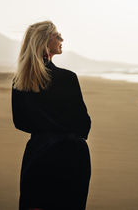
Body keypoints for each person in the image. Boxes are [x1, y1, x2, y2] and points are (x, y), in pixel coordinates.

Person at [11, 21, 92, 210]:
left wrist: (45, 129)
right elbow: (84, 123)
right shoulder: (68, 78)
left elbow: (20, 122)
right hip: (71, 157)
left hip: (38, 156)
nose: (62, 39)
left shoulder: (20, 80)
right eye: (57, 35)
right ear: (45, 41)